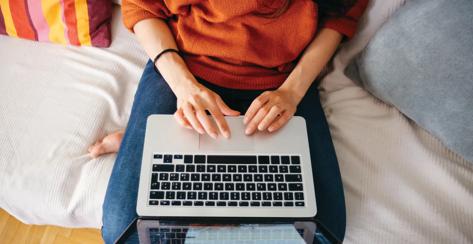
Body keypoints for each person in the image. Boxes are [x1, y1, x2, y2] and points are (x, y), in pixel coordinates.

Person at [94, 0, 368, 243]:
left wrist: (292, 92)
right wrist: (185, 87)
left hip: (282, 81)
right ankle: (150, 138)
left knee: (324, 233)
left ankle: (156, 140)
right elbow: (141, 7)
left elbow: (339, 17)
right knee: (122, 231)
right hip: (186, 70)